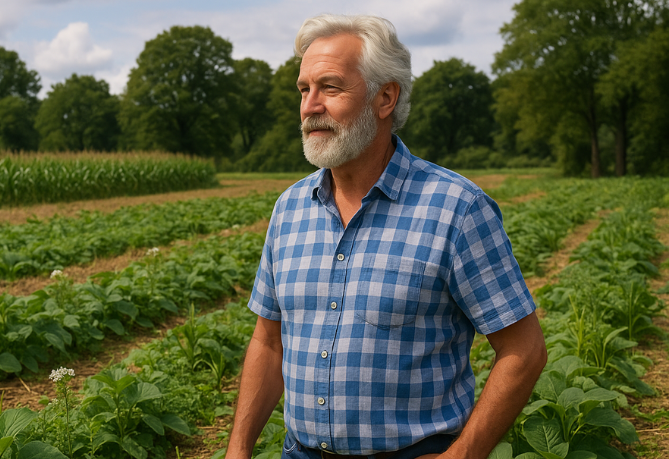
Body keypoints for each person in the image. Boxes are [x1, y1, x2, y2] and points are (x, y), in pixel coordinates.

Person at [225, 14, 547, 459]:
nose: (310, 106)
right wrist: (238, 449)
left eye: (331, 87)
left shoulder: (456, 208)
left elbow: (524, 350)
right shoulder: (289, 210)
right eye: (304, 89)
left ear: (385, 98)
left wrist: (464, 454)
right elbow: (268, 341)